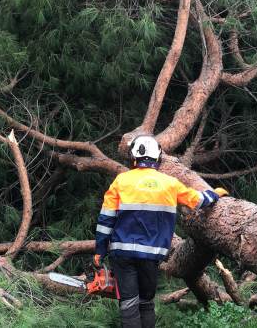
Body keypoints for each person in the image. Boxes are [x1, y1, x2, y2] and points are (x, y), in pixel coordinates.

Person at [94, 135, 228, 328]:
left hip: (122, 253)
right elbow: (197, 200)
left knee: (129, 303)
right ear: (157, 158)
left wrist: (100, 250)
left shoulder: (121, 181)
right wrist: (214, 194)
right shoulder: (169, 183)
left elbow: (105, 219)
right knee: (146, 302)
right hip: (152, 255)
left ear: (134, 158)